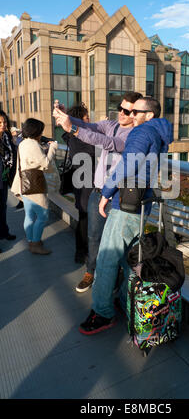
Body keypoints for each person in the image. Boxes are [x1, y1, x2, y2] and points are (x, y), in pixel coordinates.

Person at [78, 97, 173, 335]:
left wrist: (107, 192)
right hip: (142, 204)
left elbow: (127, 165)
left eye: (135, 111)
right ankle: (125, 300)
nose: (130, 114)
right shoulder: (159, 133)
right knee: (129, 259)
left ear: (148, 114)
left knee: (107, 259)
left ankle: (102, 313)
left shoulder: (142, 132)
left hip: (126, 204)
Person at [53, 91, 143, 292]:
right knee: (93, 236)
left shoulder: (136, 135)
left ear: (136, 114)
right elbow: (91, 127)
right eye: (120, 108)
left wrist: (72, 128)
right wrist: (67, 117)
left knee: (118, 243)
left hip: (120, 196)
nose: (121, 113)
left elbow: (108, 143)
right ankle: (90, 272)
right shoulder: (111, 125)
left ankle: (115, 281)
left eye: (126, 111)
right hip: (98, 191)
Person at [11, 118, 58, 255]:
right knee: (43, 216)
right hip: (35, 187)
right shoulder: (33, 144)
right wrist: (53, 148)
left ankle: (31, 240)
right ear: (36, 131)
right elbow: (46, 164)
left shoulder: (23, 143)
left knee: (29, 216)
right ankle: (36, 244)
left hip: (24, 185)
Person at [62, 103, 96, 264]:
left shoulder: (72, 135)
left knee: (83, 218)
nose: (89, 119)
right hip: (85, 184)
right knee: (85, 219)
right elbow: (90, 153)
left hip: (81, 182)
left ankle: (81, 252)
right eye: (86, 117)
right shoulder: (78, 138)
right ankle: (83, 252)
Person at [0, 111, 17, 247]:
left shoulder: (6, 136)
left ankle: (4, 232)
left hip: (4, 177)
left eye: (4, 122)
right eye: (0, 122)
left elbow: (12, 153)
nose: (3, 125)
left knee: (3, 207)